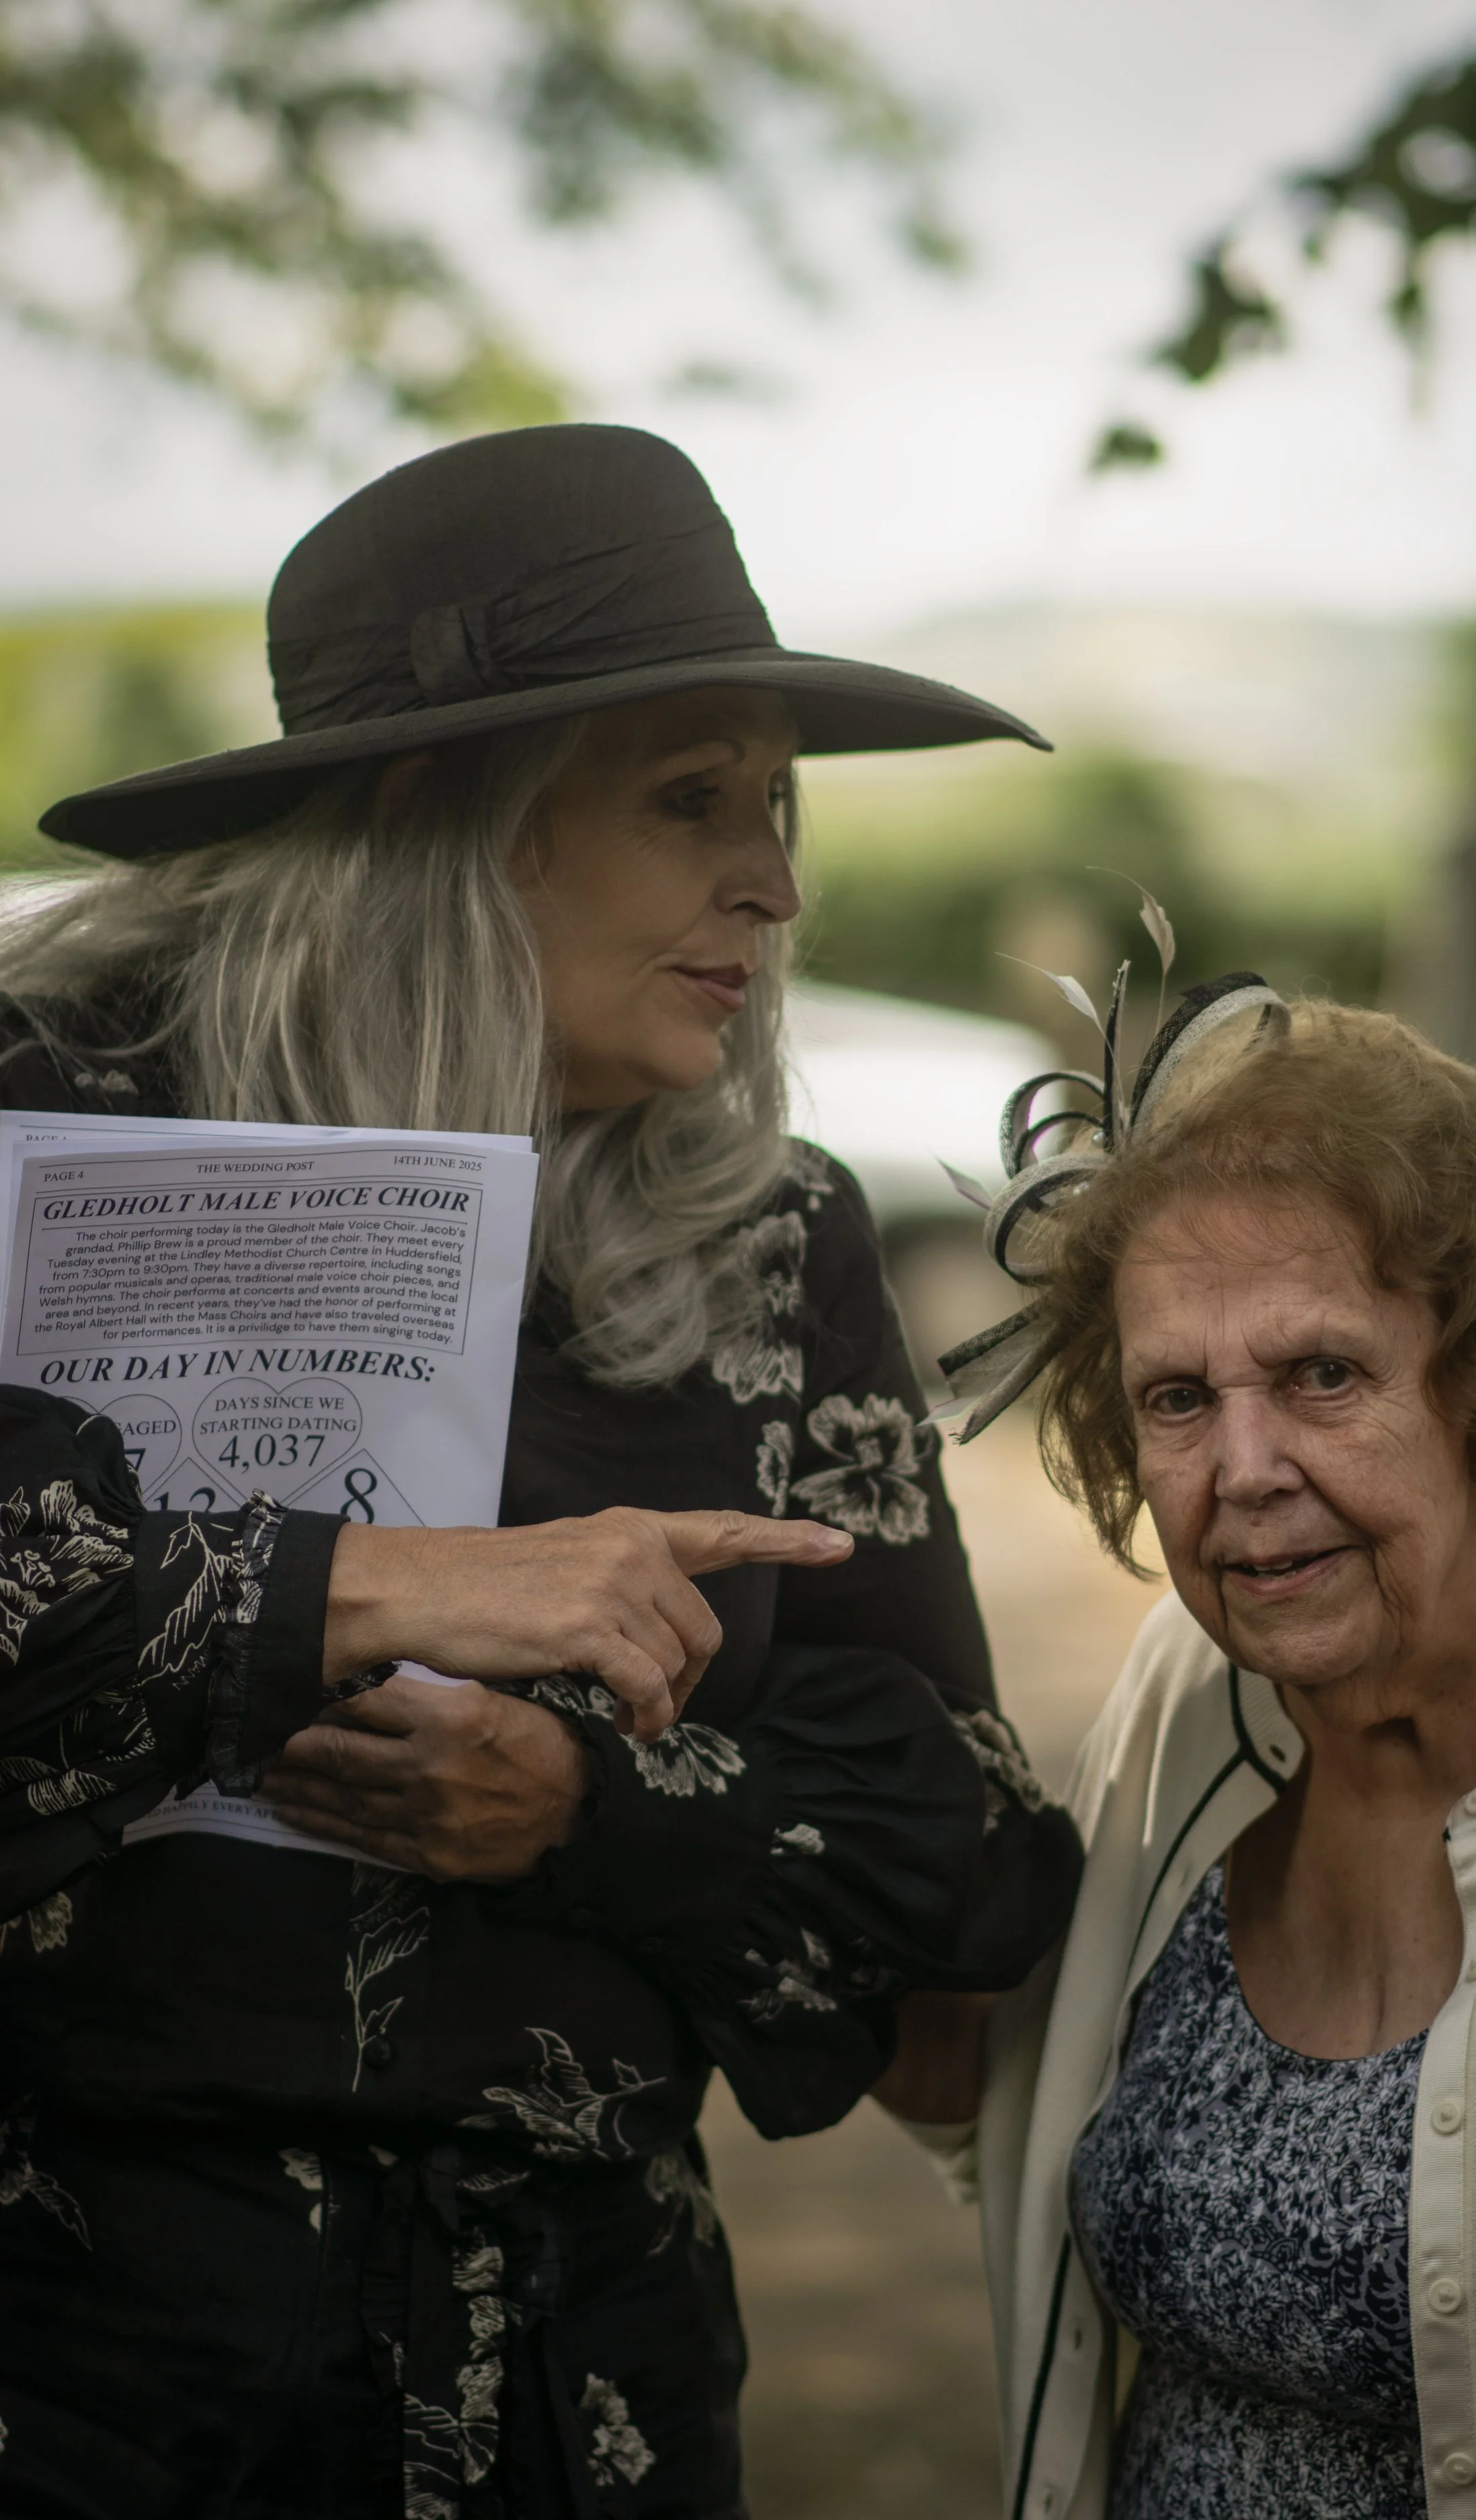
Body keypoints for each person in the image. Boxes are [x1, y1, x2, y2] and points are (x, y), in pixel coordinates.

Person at [0, 424, 1082, 2520]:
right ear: (444, 814)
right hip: (63, 2361)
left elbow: (962, 1834)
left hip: (585, 2386)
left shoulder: (773, 1235)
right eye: (693, 799)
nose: (770, 876)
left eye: (777, 807)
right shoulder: (48, 1113)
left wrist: (589, 1803)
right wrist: (378, 1589)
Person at [917, 982, 1476, 2520]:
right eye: (1177, 1401)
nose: (1244, 1473)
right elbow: (1018, 2115)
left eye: (1321, 1375)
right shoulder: (1194, 1685)